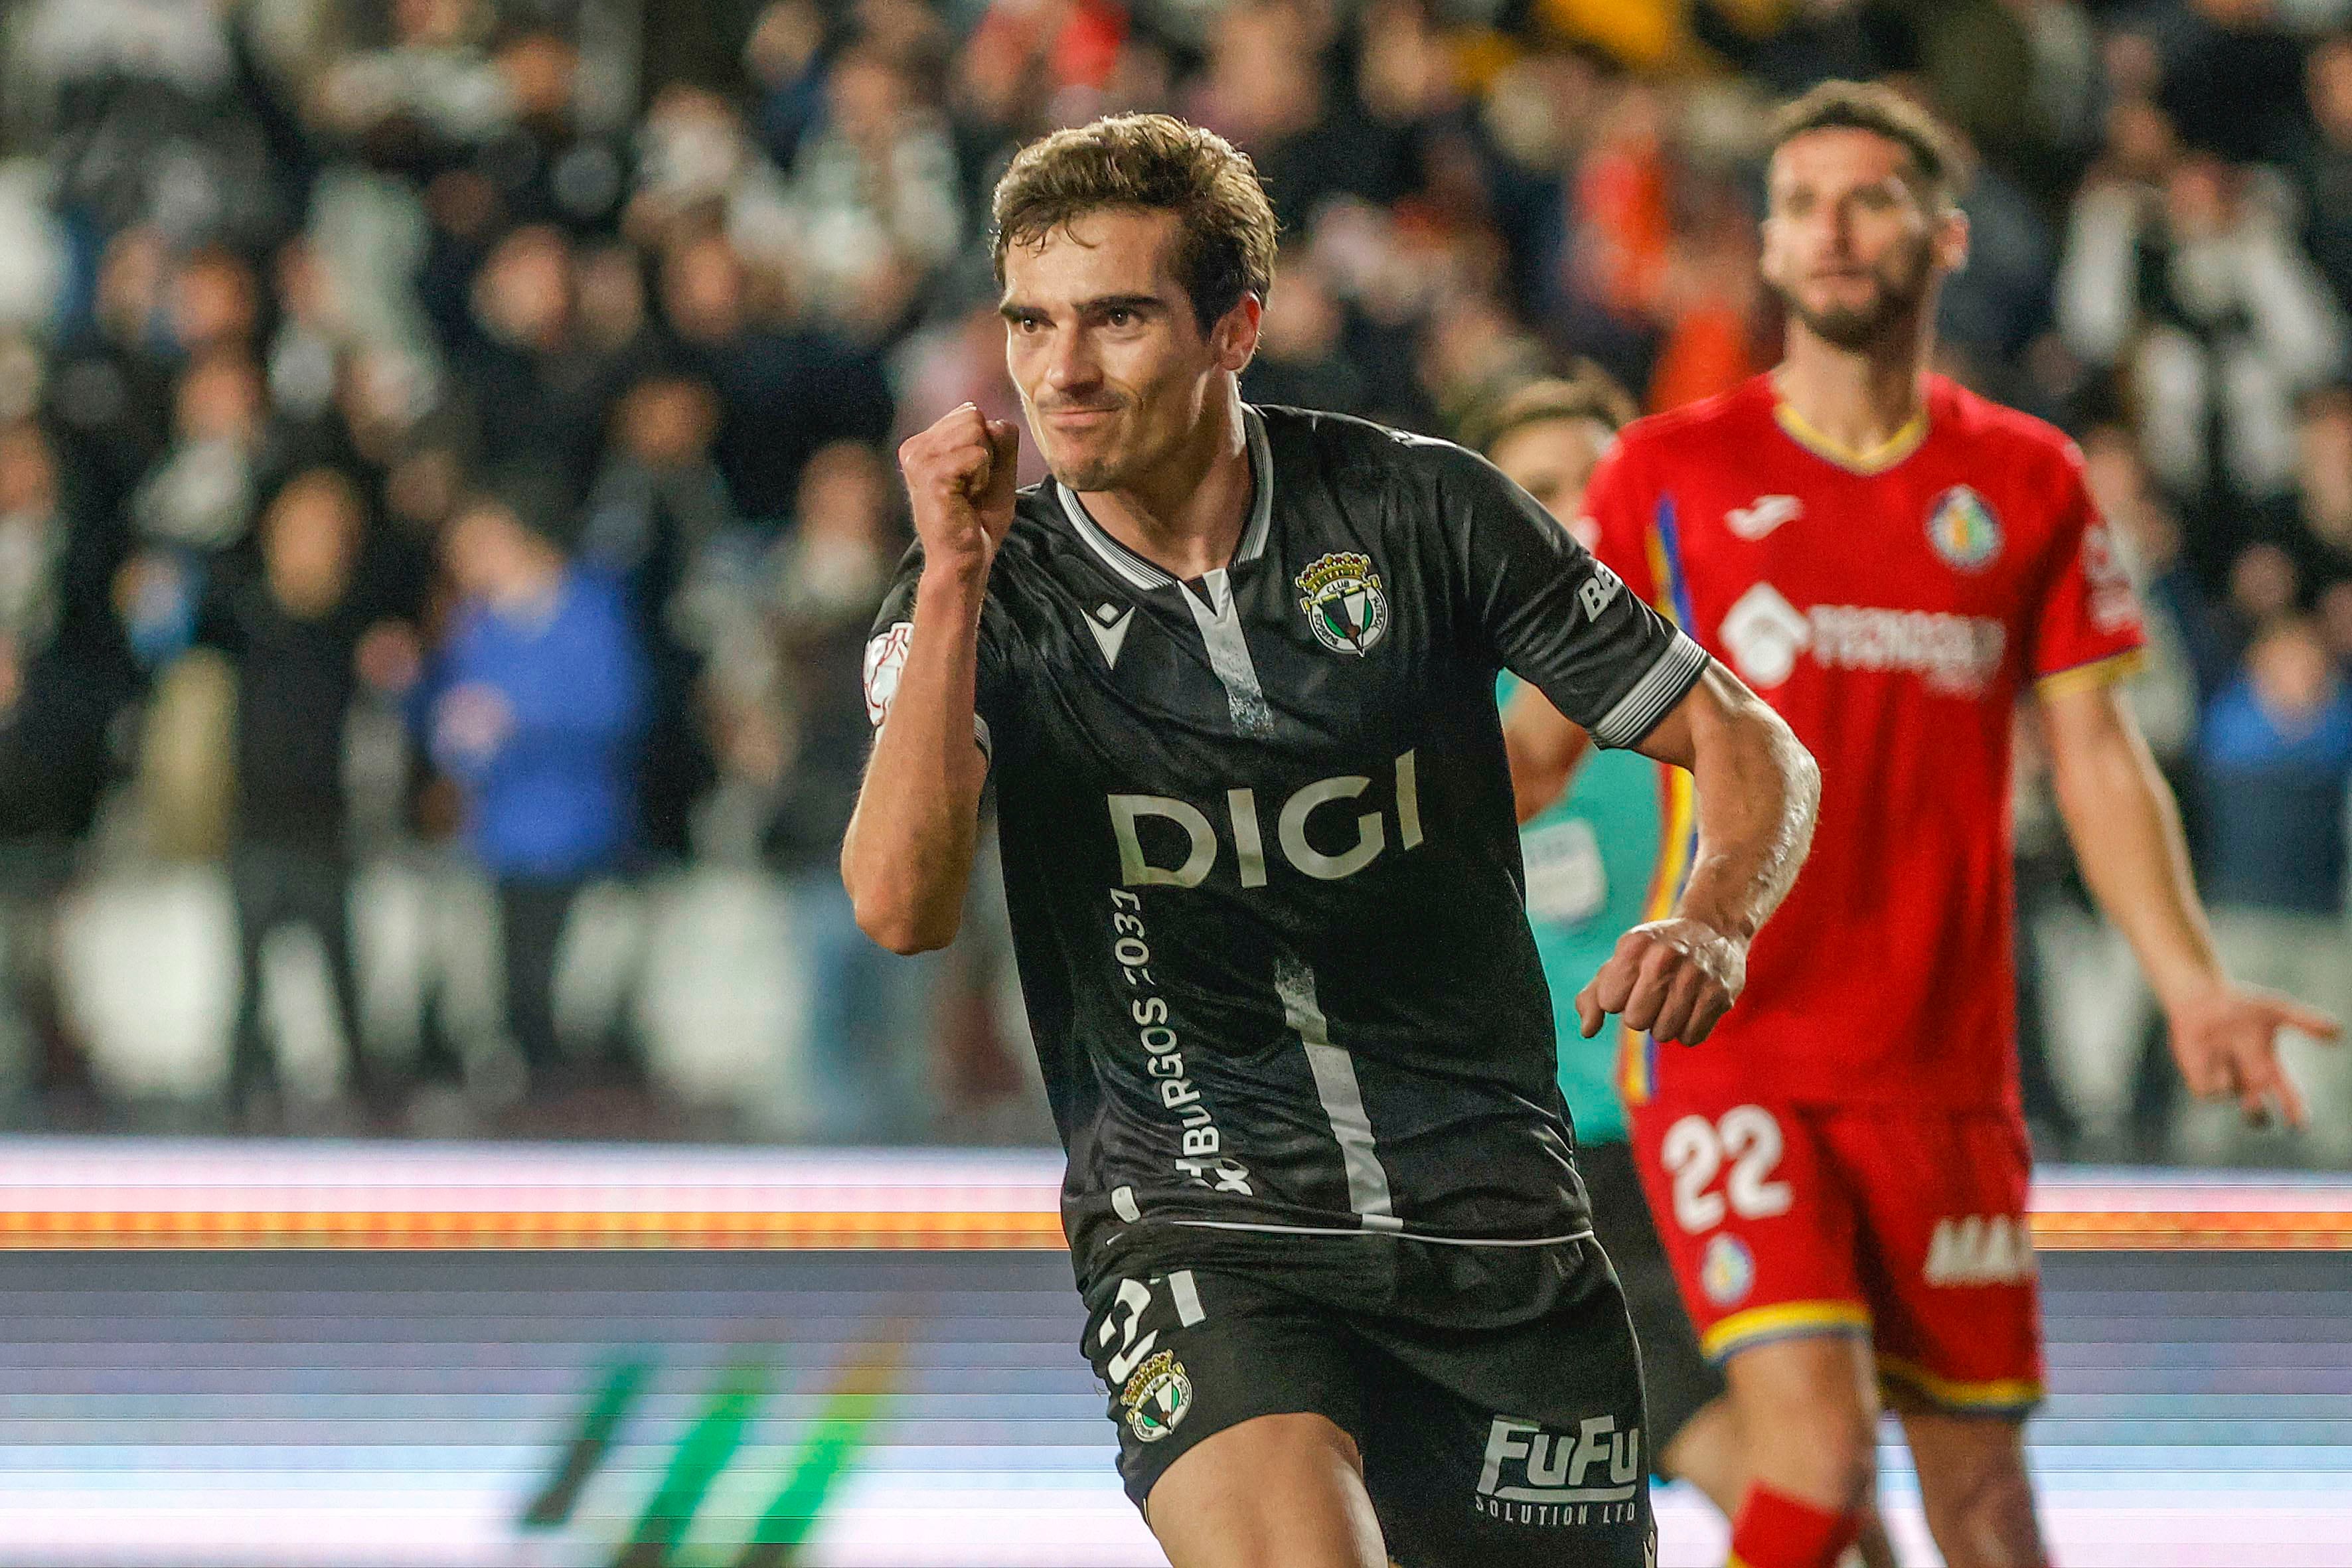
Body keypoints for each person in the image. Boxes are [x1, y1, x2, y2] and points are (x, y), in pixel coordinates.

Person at [841, 113, 1821, 1568]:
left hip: (1499, 1230)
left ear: (1233, 326)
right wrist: (956, 590)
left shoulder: (1424, 509)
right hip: (1198, 1229)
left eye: (1115, 317)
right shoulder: (984, 591)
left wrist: (1714, 915)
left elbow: (1748, 738)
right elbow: (900, 904)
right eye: (1030, 322)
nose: (1059, 370)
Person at [1516, 82, 2339, 1568]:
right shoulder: (1664, 474)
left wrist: (2190, 980)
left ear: (1944, 236)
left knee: (1983, 1508)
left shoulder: (2028, 479)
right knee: (1817, 1457)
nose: (1830, 229)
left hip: (1945, 1067)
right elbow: (1532, 745)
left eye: (1868, 198)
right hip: (1731, 1046)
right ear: (1762, 250)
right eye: (1800, 203)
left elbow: (2094, 757)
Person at [1470, 370, 1894, 1568]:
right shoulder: (1447, 713)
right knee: (1794, 1490)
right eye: (1535, 492)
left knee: (1844, 1506)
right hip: (1557, 1180)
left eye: (1598, 488)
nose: (1575, 519)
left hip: (1735, 1135)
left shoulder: (1704, 704)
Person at [429, 469, 646, 1099]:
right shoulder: (479, 625)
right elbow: (455, 716)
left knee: (576, 995)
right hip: (501, 837)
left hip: (580, 836)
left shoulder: (590, 608)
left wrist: (518, 720)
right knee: (511, 989)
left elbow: (617, 707)